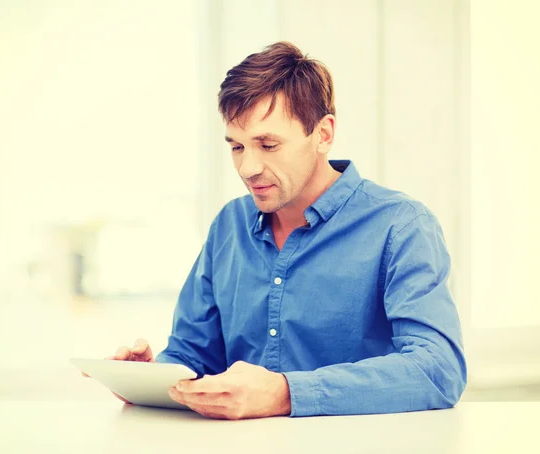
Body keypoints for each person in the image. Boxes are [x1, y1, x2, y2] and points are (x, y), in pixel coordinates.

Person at [86, 41, 467, 420]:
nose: (248, 168)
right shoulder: (228, 226)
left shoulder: (401, 226)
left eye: (268, 144)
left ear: (323, 134)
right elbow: (194, 355)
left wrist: (286, 394)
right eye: (236, 147)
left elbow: (438, 369)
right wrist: (154, 379)